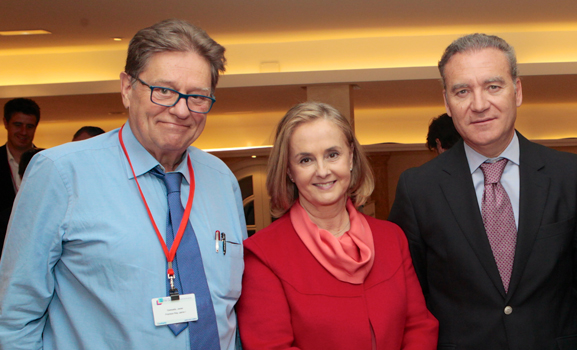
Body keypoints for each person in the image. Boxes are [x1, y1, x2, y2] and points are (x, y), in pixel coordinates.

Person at [0, 19, 246, 350]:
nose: (181, 109)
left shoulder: (222, 180)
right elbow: (14, 317)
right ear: (127, 88)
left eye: (198, 97)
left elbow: (235, 311)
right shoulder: (60, 173)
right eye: (164, 91)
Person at [388, 33, 577, 349]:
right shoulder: (418, 188)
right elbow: (411, 290)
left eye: (493, 86)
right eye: (462, 91)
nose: (479, 105)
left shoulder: (570, 176)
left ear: (516, 91)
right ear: (447, 103)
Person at [237, 102, 438, 349]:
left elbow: (419, 325)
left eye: (333, 155)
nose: (322, 171)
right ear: (289, 171)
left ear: (351, 157)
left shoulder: (391, 238)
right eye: (306, 160)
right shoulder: (263, 255)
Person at [1, 98, 39, 258]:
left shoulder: (47, 161)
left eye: (29, 126)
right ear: (5, 123)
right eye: (18, 125)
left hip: (38, 251)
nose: (23, 132)